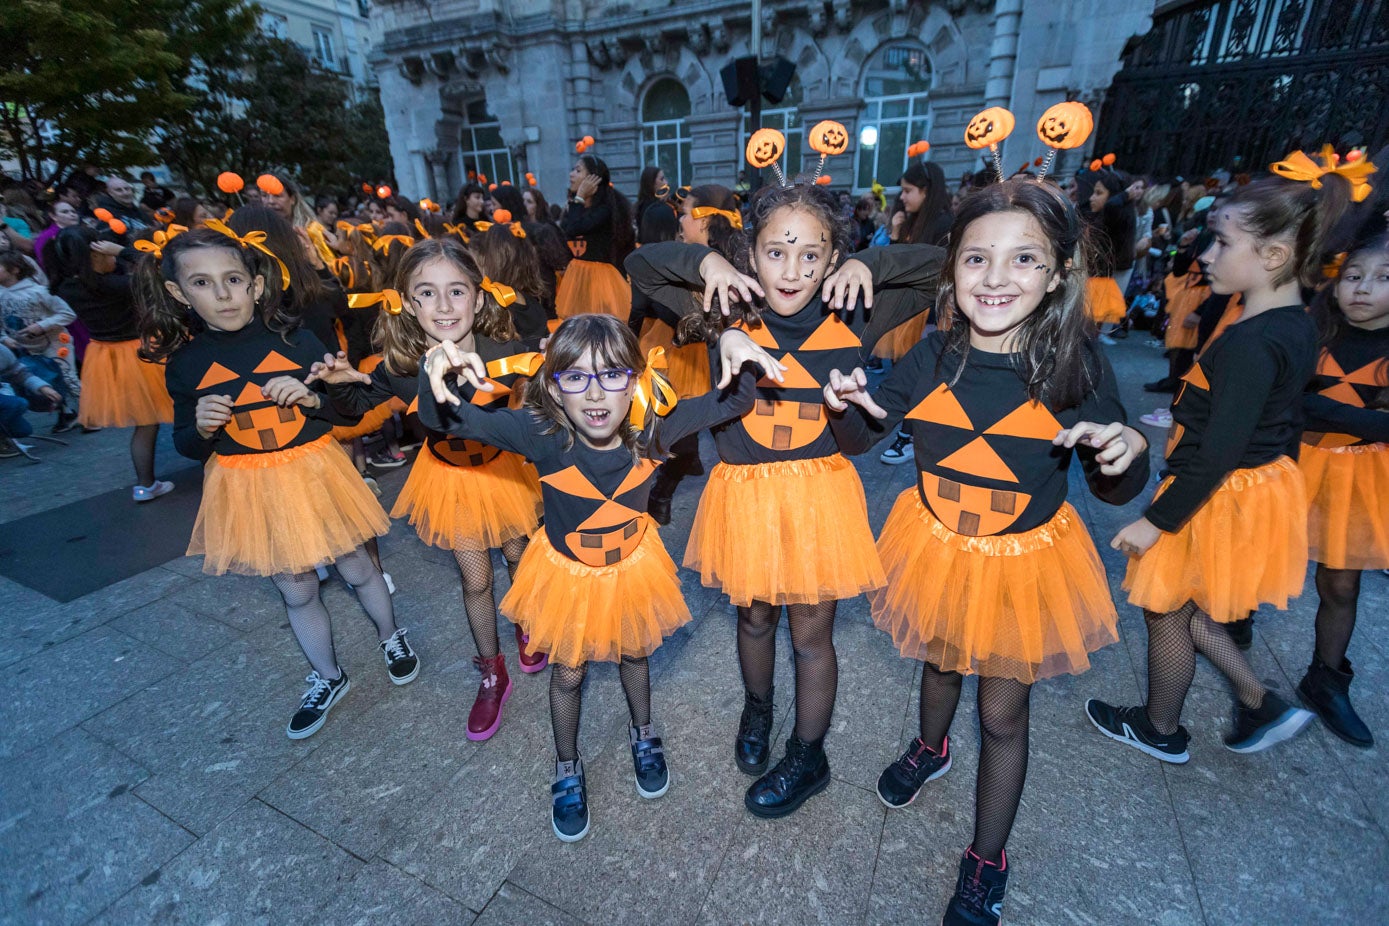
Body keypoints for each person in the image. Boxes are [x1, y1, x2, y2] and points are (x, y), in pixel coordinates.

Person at [823, 178, 1148, 926]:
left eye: (1022, 259)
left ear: (1059, 273)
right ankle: (929, 746)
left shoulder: (1074, 364)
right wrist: (850, 410)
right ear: (951, 271)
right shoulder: (933, 353)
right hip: (937, 543)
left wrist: (1124, 447)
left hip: (1020, 562)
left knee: (1002, 714)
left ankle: (985, 856)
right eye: (976, 259)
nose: (995, 278)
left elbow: (1115, 486)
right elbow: (866, 438)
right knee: (936, 658)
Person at [628, 181, 941, 819]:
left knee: (811, 632)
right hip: (742, 497)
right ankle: (758, 707)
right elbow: (639, 266)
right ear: (752, 253)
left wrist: (868, 261)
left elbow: (943, 264)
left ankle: (808, 751)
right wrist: (709, 262)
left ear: (831, 260)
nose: (793, 270)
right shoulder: (726, 303)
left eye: (812, 254)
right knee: (753, 617)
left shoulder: (856, 307)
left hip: (819, 496)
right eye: (776, 252)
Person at [417, 312, 781, 841]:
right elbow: (448, 421)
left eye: (612, 374)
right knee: (567, 673)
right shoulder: (539, 435)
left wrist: (733, 343)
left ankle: (644, 731)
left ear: (634, 380)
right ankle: (567, 764)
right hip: (567, 576)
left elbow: (737, 401)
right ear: (553, 386)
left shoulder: (655, 429)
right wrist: (437, 373)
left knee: (635, 652)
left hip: (632, 567)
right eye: (576, 376)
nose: (594, 393)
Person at [1086, 164, 1351, 767]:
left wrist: (1158, 519)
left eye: (1223, 242)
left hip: (1216, 489)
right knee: (1180, 605)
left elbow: (1222, 448)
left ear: (1276, 254)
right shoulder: (1289, 324)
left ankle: (1162, 726)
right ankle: (1259, 702)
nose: (1207, 253)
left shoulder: (1256, 342)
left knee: (1165, 606)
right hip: (1244, 484)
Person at [136, 225, 419, 739]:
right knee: (296, 586)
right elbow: (187, 444)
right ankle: (329, 676)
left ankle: (390, 635)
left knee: (356, 562)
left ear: (256, 285)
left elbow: (342, 412)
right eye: (202, 283)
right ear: (179, 293)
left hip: (313, 471)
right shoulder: (185, 365)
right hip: (248, 485)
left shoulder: (298, 342)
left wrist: (312, 398)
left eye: (233, 279)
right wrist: (200, 427)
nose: (222, 295)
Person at [312, 237, 545, 740]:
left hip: (504, 472)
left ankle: (528, 627)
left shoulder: (506, 350)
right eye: (427, 293)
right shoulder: (399, 367)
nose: (443, 306)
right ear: (408, 302)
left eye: (456, 291)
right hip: (451, 482)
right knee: (476, 579)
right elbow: (352, 408)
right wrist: (333, 384)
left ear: (478, 299)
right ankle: (490, 669)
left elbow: (534, 402)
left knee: (518, 556)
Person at [1294, 221, 1389, 748]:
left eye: (1382, 277)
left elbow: (1306, 400)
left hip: (1360, 476)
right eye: (1354, 275)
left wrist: (1320, 406)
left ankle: (1327, 679)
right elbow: (1287, 394)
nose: (1363, 288)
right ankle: (1233, 625)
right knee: (1253, 553)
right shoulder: (1315, 329)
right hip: (1292, 462)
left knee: (1340, 581)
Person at [49, 225, 173, 497]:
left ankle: (145, 485)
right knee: (178, 406)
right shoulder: (116, 286)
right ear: (93, 255)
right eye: (103, 250)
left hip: (105, 355)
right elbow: (161, 267)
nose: (112, 257)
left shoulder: (66, 288)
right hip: (143, 352)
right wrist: (124, 251)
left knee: (146, 420)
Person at [877, 160, 956, 464]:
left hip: (932, 311)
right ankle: (911, 432)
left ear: (927, 191)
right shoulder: (912, 221)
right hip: (909, 308)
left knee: (923, 376)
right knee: (907, 373)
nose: (903, 197)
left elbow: (943, 276)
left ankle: (909, 436)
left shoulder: (944, 224)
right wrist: (896, 232)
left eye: (909, 191)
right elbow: (895, 266)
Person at [0, 252, 80, 430]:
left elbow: (67, 313)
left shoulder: (39, 291)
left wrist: (43, 325)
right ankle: (66, 413)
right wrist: (4, 338)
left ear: (14, 269)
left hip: (56, 343)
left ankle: (90, 414)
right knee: (46, 380)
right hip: (26, 348)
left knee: (67, 376)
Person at [555, 155, 635, 321]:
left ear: (593, 179)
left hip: (600, 281)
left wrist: (579, 198)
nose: (571, 174)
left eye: (578, 170)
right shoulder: (582, 208)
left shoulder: (605, 210)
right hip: (578, 277)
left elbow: (574, 229)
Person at [0, 341, 63, 456]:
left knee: (23, 430)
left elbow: (19, 373)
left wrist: (43, 387)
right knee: (17, 404)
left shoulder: (2, 350)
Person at [634, 166, 670, 240]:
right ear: (651, 183)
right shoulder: (650, 207)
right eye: (662, 179)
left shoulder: (642, 205)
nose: (666, 183)